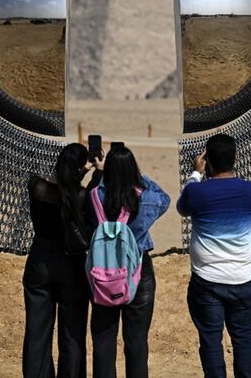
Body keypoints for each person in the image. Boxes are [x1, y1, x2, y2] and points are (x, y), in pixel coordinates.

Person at [177, 134, 251, 378]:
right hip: (243, 279)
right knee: (243, 340)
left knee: (211, 342)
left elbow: (182, 207)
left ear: (208, 162)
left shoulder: (197, 192)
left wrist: (195, 173)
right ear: (235, 158)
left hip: (208, 280)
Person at [85, 144, 171, 378]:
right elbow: (165, 199)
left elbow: (87, 207)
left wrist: (101, 173)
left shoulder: (95, 195)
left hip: (103, 273)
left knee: (103, 339)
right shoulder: (145, 199)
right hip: (138, 272)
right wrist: (138, 176)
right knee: (136, 341)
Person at [23, 142, 94, 378]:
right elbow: (78, 197)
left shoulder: (36, 186)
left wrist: (74, 173)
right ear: (80, 169)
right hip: (70, 264)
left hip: (39, 260)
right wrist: (91, 173)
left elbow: (54, 186)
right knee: (72, 334)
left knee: (37, 332)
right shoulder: (81, 195)